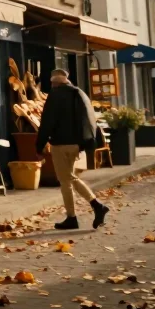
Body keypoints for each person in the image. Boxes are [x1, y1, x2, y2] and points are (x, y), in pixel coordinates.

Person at [37, 69, 110, 230]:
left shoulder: (55, 96)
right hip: (76, 144)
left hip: (60, 144)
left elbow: (47, 122)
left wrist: (39, 144)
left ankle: (88, 209)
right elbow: (90, 119)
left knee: (66, 180)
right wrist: (86, 143)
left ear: (55, 83)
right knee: (69, 178)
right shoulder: (79, 93)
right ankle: (80, 213)